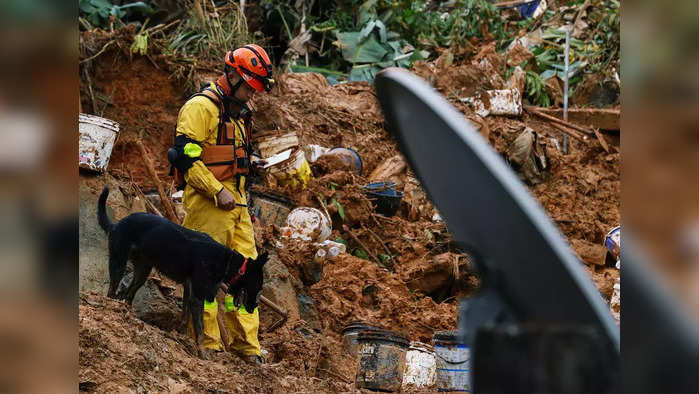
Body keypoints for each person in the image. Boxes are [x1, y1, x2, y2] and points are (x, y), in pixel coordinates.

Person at [168, 44, 275, 363]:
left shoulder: (240, 114)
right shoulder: (200, 108)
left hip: (238, 205)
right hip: (209, 205)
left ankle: (246, 347)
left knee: (247, 275)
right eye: (249, 88)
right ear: (232, 75)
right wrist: (216, 191)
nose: (251, 96)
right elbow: (185, 157)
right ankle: (206, 343)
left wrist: (252, 163)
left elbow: (230, 154)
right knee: (204, 276)